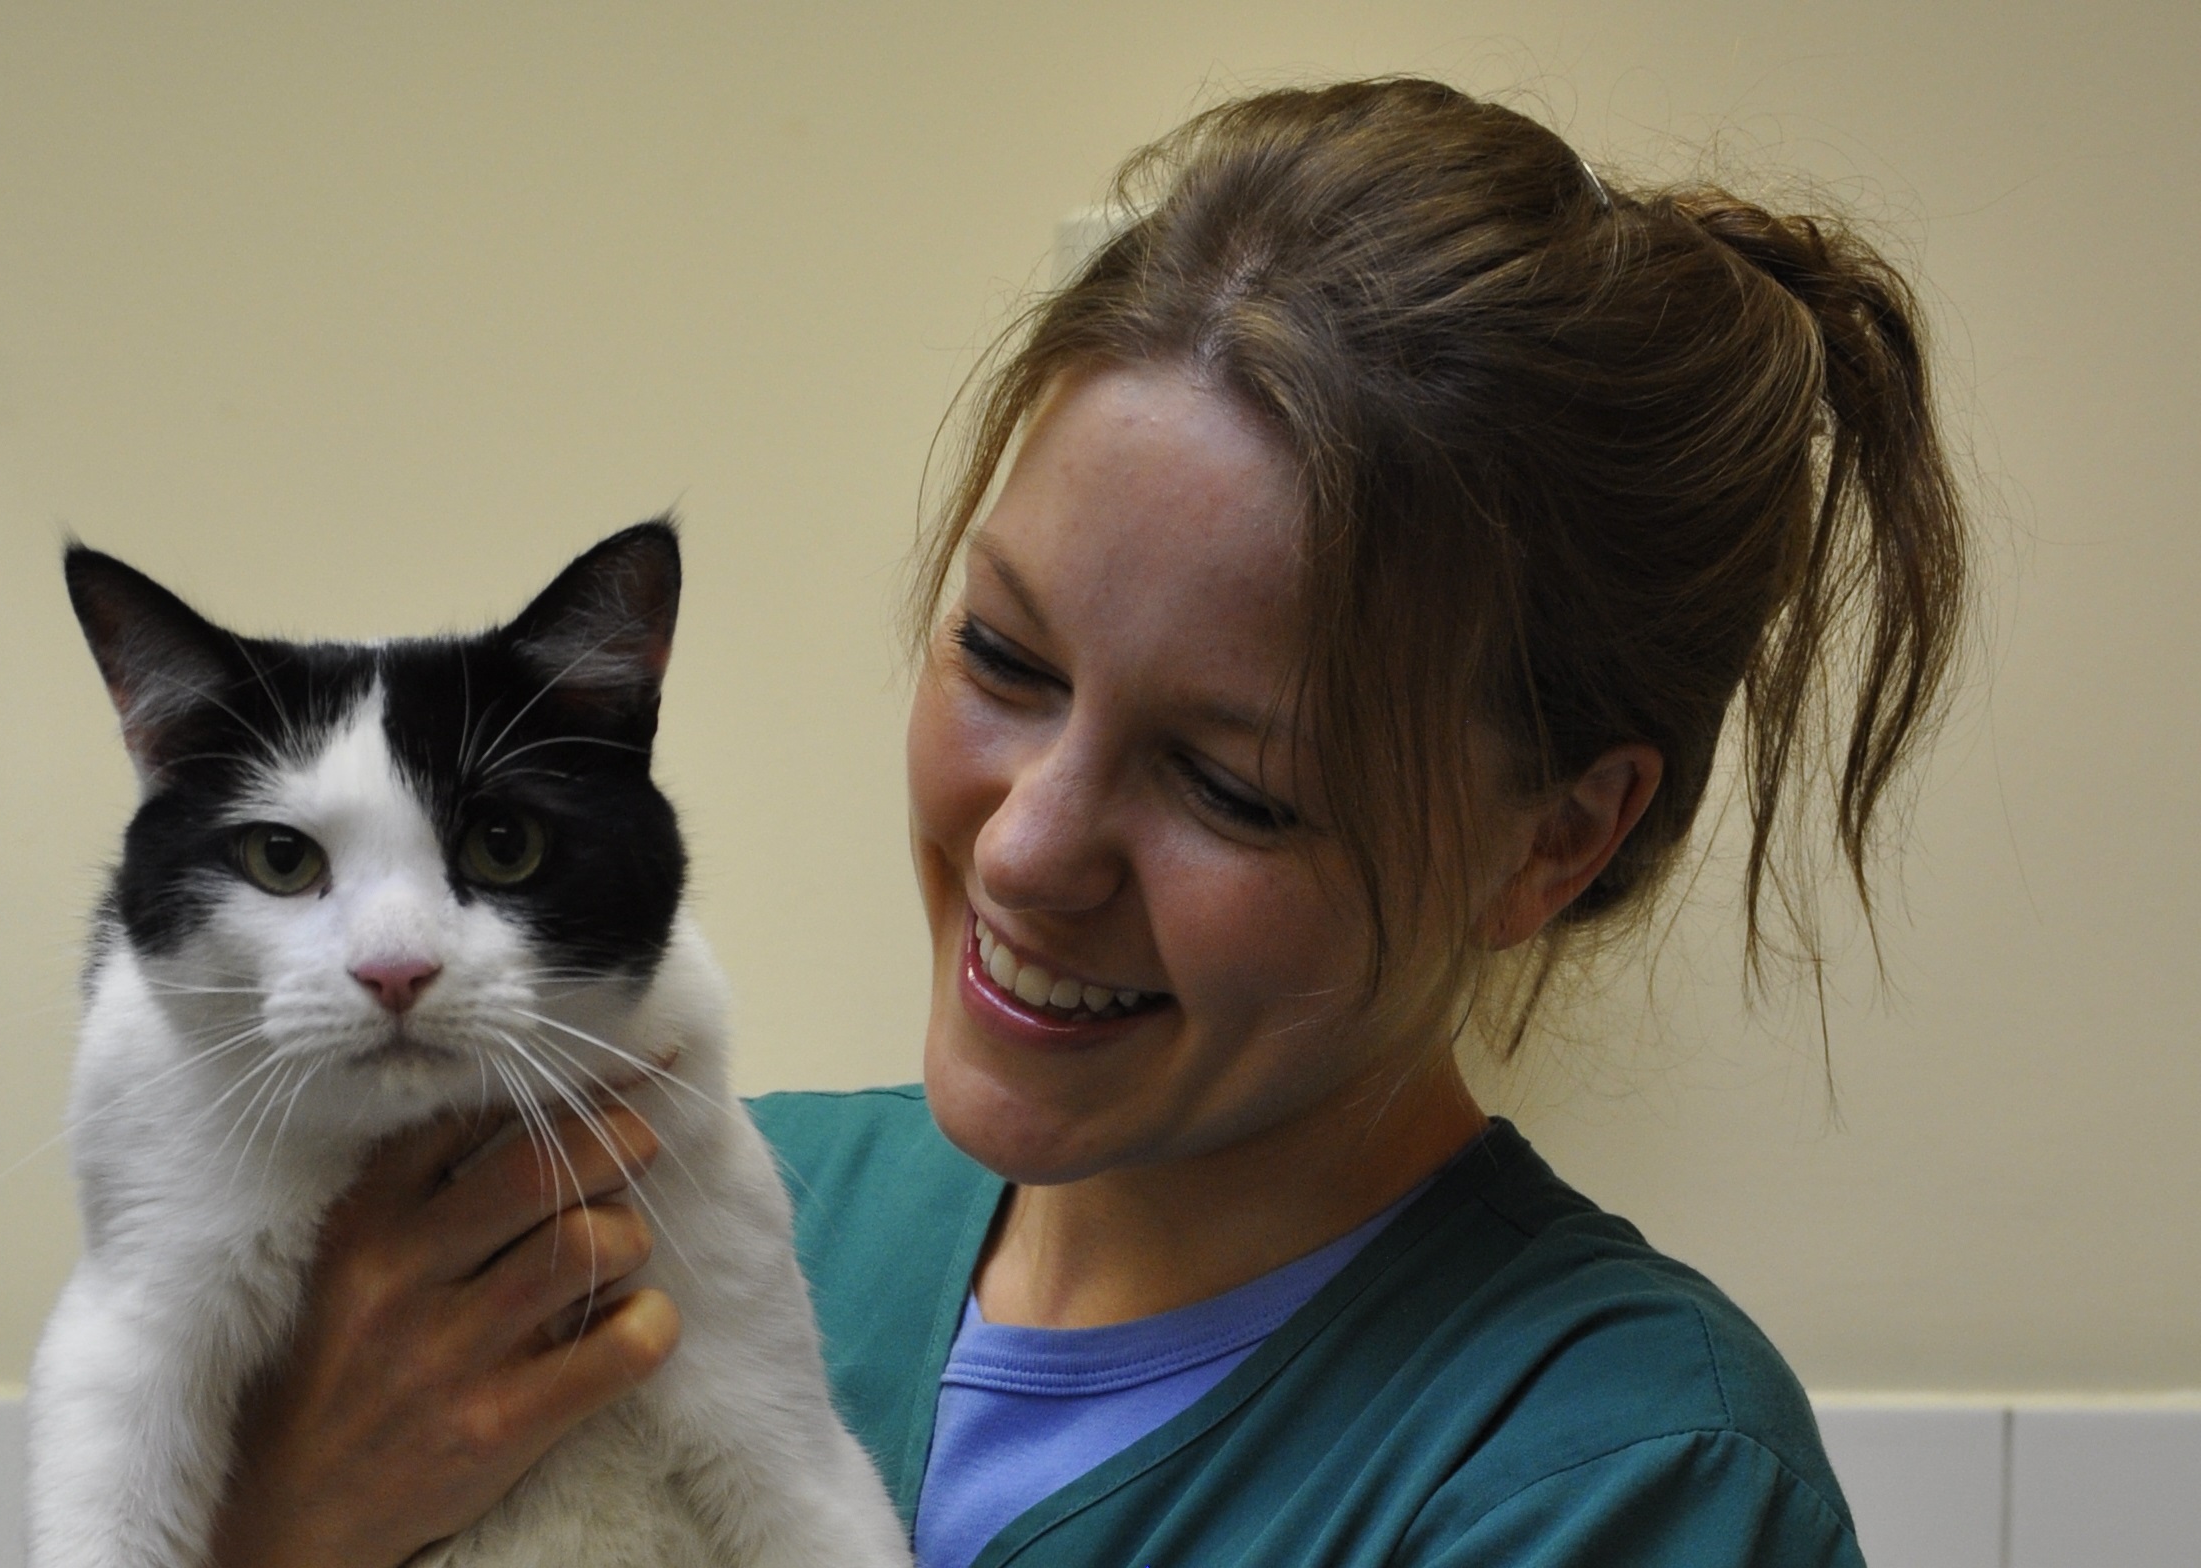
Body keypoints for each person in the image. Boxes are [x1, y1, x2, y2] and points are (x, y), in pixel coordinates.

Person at [206, 77, 1966, 1567]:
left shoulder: (1607, 1474)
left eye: (1233, 786)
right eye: (1005, 656)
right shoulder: (662, 1209)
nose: (1029, 847)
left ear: (1553, 842)